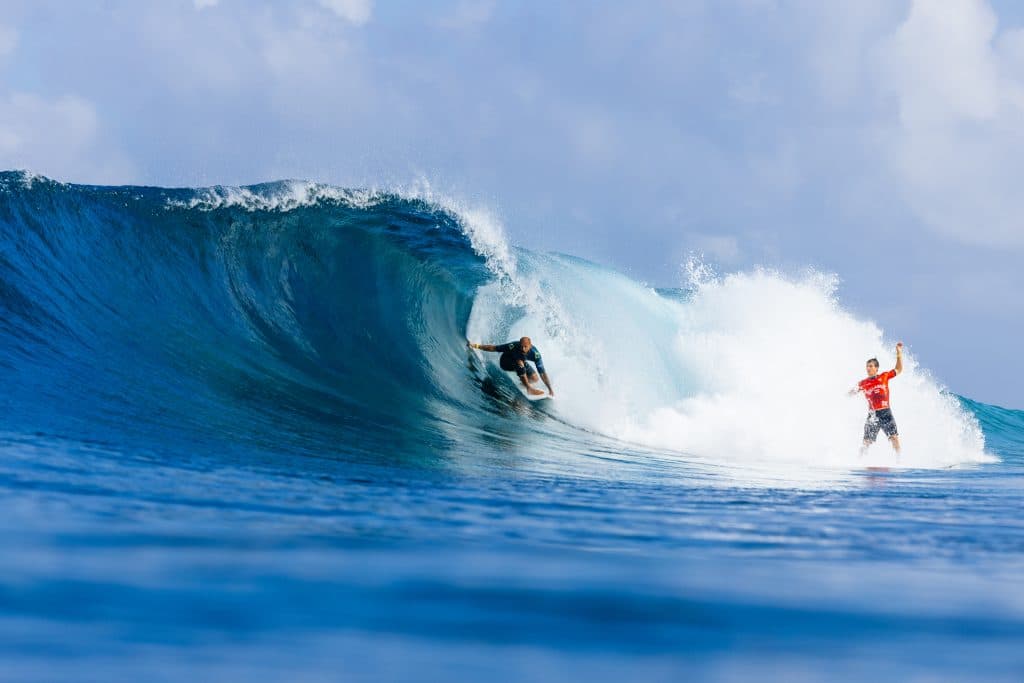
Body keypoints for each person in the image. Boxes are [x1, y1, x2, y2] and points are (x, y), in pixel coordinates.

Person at [850, 342, 904, 454]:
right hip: (873, 415)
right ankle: (859, 460)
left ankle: (900, 461)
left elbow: (898, 369)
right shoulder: (863, 383)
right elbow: (851, 393)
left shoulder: (884, 376)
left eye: (870, 366)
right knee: (866, 443)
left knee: (894, 438)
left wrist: (899, 353)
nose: (868, 369)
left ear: (876, 368)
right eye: (867, 366)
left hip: (885, 413)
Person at [468, 336, 554, 397]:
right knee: (520, 363)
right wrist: (476, 346)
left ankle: (523, 383)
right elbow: (494, 348)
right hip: (505, 362)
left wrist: (549, 388)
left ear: (530, 346)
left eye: (525, 347)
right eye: (521, 346)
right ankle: (528, 388)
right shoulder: (513, 346)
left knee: (535, 379)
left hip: (520, 362)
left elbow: (542, 373)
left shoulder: (535, 354)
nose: (523, 349)